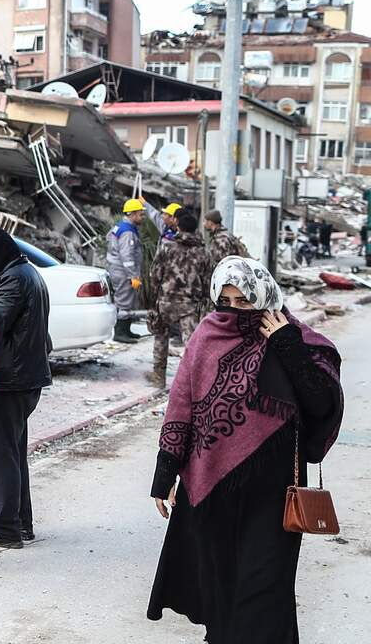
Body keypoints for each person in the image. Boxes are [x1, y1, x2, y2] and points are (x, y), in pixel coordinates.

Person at [147, 257, 343, 643]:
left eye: (245, 301)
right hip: (212, 491)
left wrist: (286, 344)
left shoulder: (297, 339)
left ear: (264, 296)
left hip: (274, 496)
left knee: (264, 592)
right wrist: (164, 474)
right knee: (221, 593)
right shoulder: (206, 335)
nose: (235, 310)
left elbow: (322, 405)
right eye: (228, 300)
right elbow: (182, 405)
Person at [0, 225, 50, 549]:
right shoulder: (25, 273)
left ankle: (5, 527)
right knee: (12, 453)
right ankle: (19, 522)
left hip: (9, 380)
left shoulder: (14, 280)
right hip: (25, 377)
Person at [147, 212, 213, 388]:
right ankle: (192, 383)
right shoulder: (203, 252)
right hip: (189, 305)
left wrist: (154, 299)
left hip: (165, 301)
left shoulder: (166, 247)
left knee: (161, 338)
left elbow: (154, 275)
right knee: (191, 344)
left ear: (179, 227)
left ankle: (158, 377)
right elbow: (208, 281)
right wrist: (205, 302)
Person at [107, 198, 146, 343]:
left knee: (128, 300)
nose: (142, 217)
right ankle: (120, 333)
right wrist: (133, 276)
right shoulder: (127, 232)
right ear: (133, 214)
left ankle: (126, 330)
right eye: (141, 215)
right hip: (124, 272)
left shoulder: (120, 227)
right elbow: (127, 256)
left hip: (119, 270)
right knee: (124, 302)